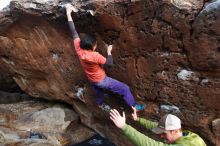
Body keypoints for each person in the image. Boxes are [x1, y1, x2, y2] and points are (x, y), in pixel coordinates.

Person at [65, 5, 145, 112]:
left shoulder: (79, 48)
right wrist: (109, 52)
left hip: (91, 78)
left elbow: (73, 31)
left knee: (97, 89)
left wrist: (68, 13)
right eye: (95, 44)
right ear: (92, 47)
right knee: (125, 89)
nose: (96, 45)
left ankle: (100, 103)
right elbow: (110, 62)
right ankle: (134, 106)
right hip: (101, 80)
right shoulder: (94, 56)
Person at [110, 107, 207, 146]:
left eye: (164, 133)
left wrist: (124, 126)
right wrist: (138, 119)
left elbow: (150, 144)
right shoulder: (188, 135)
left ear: (174, 131)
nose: (161, 136)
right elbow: (155, 125)